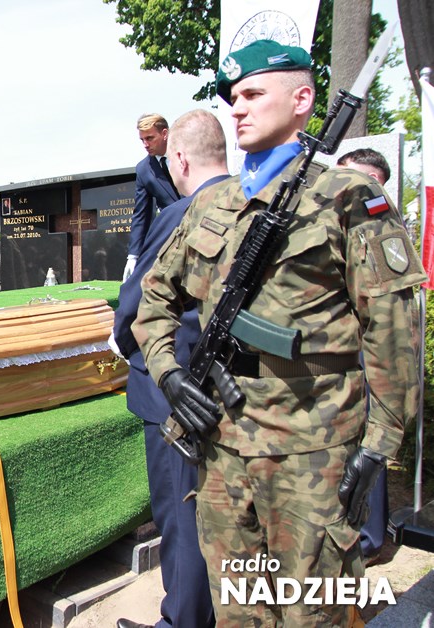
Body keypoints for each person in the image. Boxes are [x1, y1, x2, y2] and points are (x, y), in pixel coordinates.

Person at [133, 40, 425, 625]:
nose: (237, 108)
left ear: (302, 100)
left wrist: (380, 444)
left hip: (311, 454)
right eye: (233, 98)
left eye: (253, 94)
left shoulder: (348, 197)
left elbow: (394, 331)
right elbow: (154, 299)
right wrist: (169, 374)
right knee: (239, 611)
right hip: (221, 449)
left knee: (312, 613)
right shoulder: (211, 206)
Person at [112, 110, 227, 628]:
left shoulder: (184, 212)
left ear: (178, 157)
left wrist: (124, 344)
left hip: (173, 386)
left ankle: (182, 620)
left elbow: (137, 304)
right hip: (231, 387)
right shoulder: (260, 204)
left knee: (182, 515)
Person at [337, 147, 394, 564]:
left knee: (370, 442)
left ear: (374, 181)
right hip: (345, 352)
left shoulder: (379, 226)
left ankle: (370, 538)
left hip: (368, 352)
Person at [125, 113, 181, 282]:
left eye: (150, 138)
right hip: (172, 239)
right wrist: (133, 255)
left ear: (164, 134)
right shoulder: (143, 169)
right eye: (142, 140)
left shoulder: (187, 154)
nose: (145, 144)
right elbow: (141, 214)